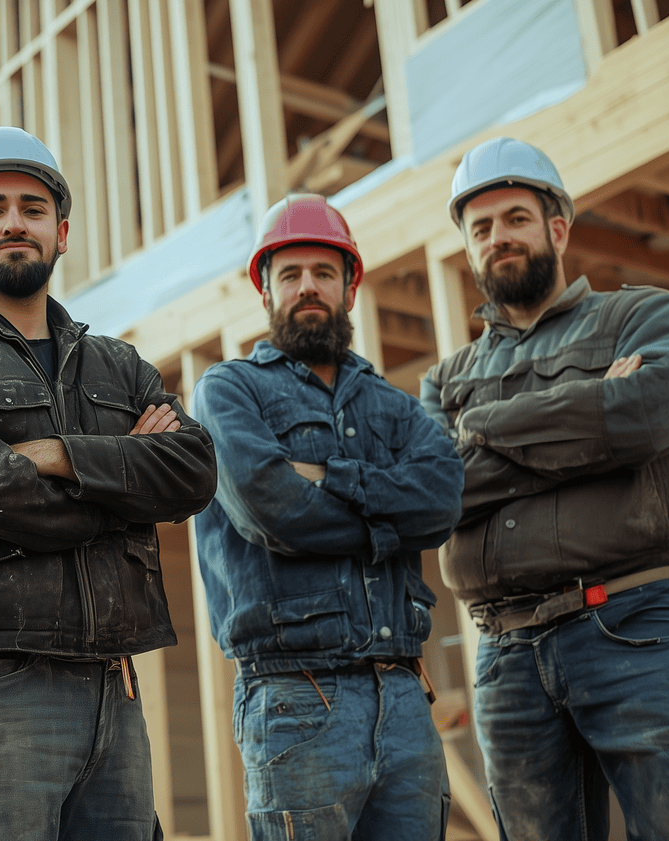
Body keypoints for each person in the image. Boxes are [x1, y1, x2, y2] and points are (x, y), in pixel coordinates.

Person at [0, 125, 217, 839]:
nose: (13, 222)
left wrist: (58, 454)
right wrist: (119, 489)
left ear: (60, 231)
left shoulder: (116, 366)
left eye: (31, 207)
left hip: (113, 692)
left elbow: (194, 469)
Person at [419, 137, 669, 840]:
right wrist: (594, 419)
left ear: (556, 227)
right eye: (482, 228)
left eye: (516, 218)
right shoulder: (444, 381)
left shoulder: (644, 317)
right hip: (506, 652)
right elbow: (431, 492)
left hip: (638, 625)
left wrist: (486, 428)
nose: (499, 237)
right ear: (469, 250)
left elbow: (650, 413)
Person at [191, 194, 463, 840]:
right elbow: (273, 510)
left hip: (402, 692)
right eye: (289, 274)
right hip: (293, 693)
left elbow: (445, 497)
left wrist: (329, 477)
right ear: (265, 289)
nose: (307, 287)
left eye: (322, 272)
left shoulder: (392, 406)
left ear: (350, 285)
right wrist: (391, 522)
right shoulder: (229, 391)